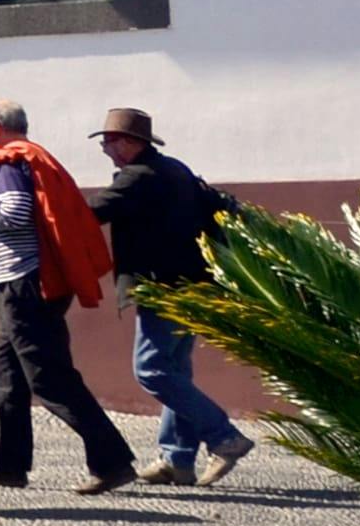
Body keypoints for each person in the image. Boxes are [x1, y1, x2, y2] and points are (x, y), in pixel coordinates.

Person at [0, 100, 138, 496]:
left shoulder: (8, 163)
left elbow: (13, 214)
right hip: (27, 283)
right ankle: (10, 464)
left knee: (50, 378)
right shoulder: (31, 158)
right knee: (6, 373)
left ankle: (112, 460)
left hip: (24, 285)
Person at [89, 107, 257, 485]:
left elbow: (90, 213)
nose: (104, 148)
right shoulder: (175, 169)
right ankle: (178, 459)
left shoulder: (138, 178)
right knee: (176, 369)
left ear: (131, 143)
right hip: (193, 286)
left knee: (152, 370)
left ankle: (224, 436)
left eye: (109, 141)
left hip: (162, 288)